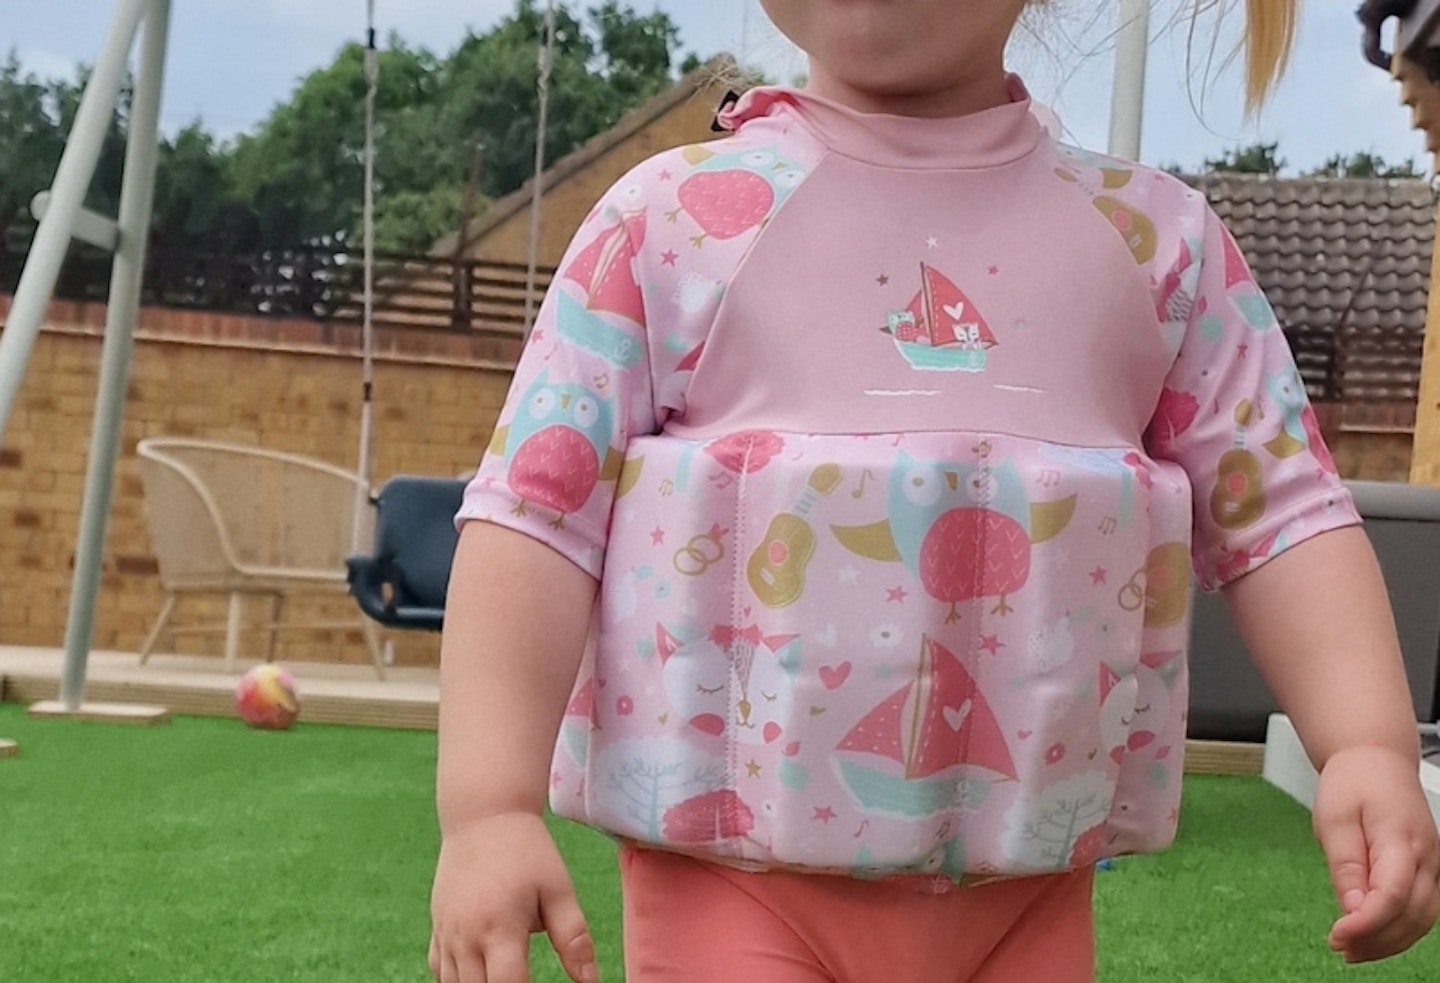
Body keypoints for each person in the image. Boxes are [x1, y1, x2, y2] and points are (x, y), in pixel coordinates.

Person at [428, 1, 1440, 980]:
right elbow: (534, 515)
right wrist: (488, 805)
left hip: (1027, 892)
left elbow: (1285, 511)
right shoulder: (668, 229)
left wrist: (1364, 741)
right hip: (731, 888)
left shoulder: (1156, 248)